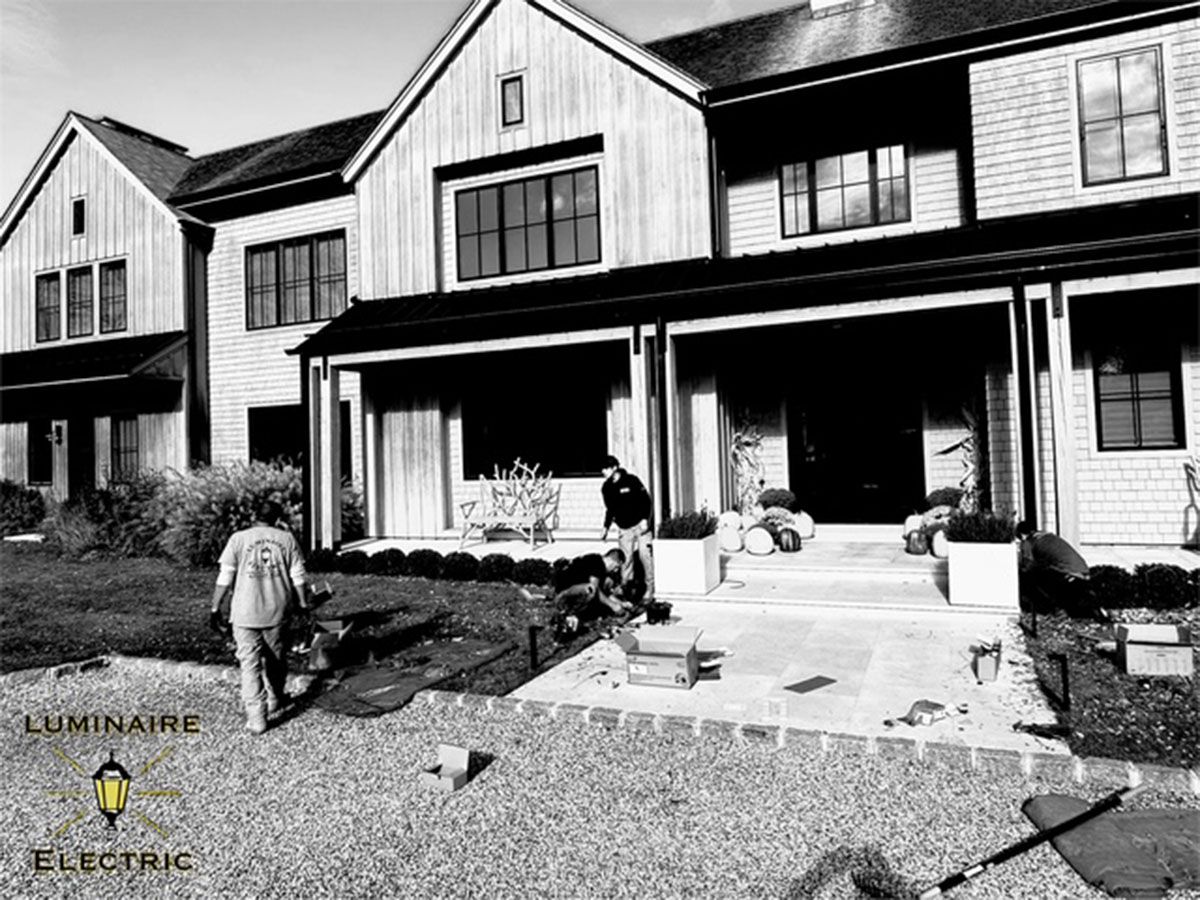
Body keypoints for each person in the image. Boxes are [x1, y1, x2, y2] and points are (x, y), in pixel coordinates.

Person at [210, 499, 311, 735]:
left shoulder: (238, 539)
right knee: (276, 658)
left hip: (244, 613)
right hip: (277, 611)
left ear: (254, 516)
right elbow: (299, 577)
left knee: (249, 665)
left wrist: (215, 607)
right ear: (277, 518)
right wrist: (304, 604)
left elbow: (225, 576)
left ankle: (257, 718)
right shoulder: (286, 539)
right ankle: (276, 698)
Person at [600, 454, 655, 604]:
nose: (603, 472)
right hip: (624, 528)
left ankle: (650, 589)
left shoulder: (632, 480)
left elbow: (646, 501)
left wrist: (645, 519)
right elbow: (610, 509)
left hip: (640, 525)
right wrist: (605, 527)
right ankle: (627, 590)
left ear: (614, 468)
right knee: (626, 560)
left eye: (605, 468)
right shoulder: (606, 488)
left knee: (645, 555)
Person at [1015, 520, 1091, 613]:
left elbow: (1027, 567)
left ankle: (1048, 608)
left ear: (1022, 534)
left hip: (1069, 575)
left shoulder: (1029, 542)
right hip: (1084, 572)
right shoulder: (1047, 536)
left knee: (1030, 578)